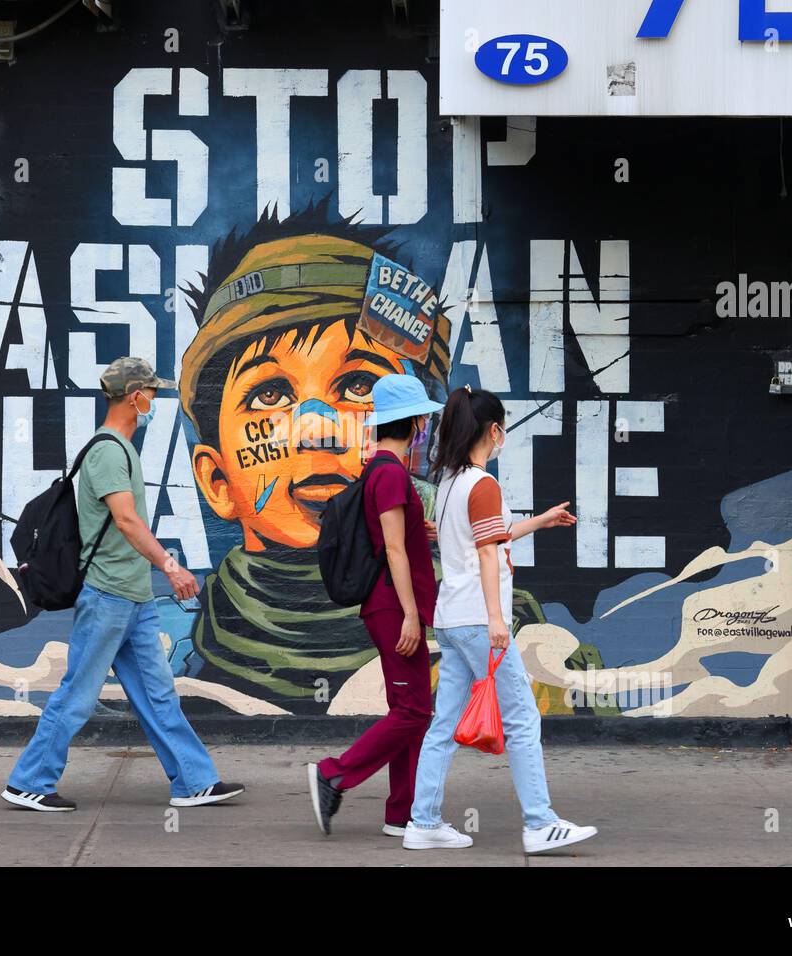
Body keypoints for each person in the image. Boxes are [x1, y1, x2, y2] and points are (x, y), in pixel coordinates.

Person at [176, 203, 452, 711]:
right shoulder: (180, 658)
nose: (317, 430)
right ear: (217, 481)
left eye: (356, 384)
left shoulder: (518, 644)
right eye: (269, 394)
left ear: (419, 434)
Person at [2, 357, 244, 812]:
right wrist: (171, 567)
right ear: (135, 396)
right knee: (78, 694)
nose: (155, 399)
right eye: (151, 392)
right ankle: (28, 781)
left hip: (133, 598)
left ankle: (193, 782)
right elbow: (127, 520)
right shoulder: (110, 450)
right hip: (108, 597)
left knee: (158, 696)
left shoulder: (121, 448)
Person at [402, 386, 598, 855]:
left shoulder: (451, 483)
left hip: (451, 619)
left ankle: (423, 821)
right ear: (494, 431)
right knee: (522, 719)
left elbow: (490, 536)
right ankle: (539, 823)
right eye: (503, 426)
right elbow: (488, 553)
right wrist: (497, 620)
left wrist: (540, 521)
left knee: (444, 724)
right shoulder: (483, 484)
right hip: (477, 620)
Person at [307, 374, 443, 838]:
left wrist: (418, 531)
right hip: (392, 607)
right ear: (417, 424)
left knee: (412, 711)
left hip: (396, 605)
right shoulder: (388, 474)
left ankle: (400, 813)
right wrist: (409, 613)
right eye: (425, 418)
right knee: (412, 712)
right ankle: (334, 773)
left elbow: (400, 538)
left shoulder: (384, 472)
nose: (427, 425)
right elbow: (393, 549)